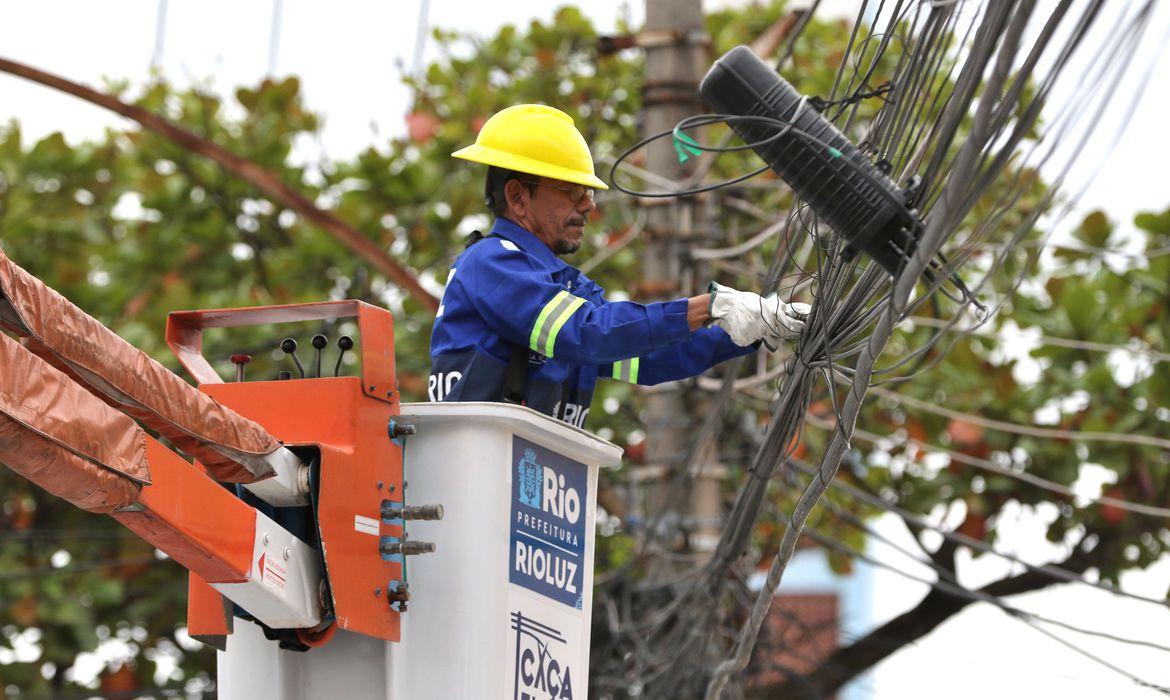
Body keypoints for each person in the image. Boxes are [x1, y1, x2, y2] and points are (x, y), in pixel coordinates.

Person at [428, 104, 808, 428]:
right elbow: (586, 334)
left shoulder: (565, 288)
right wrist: (708, 306)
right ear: (518, 196)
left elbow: (648, 355)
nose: (588, 205)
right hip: (478, 475)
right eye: (572, 191)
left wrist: (751, 325)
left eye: (588, 192)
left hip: (528, 482)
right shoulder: (493, 264)